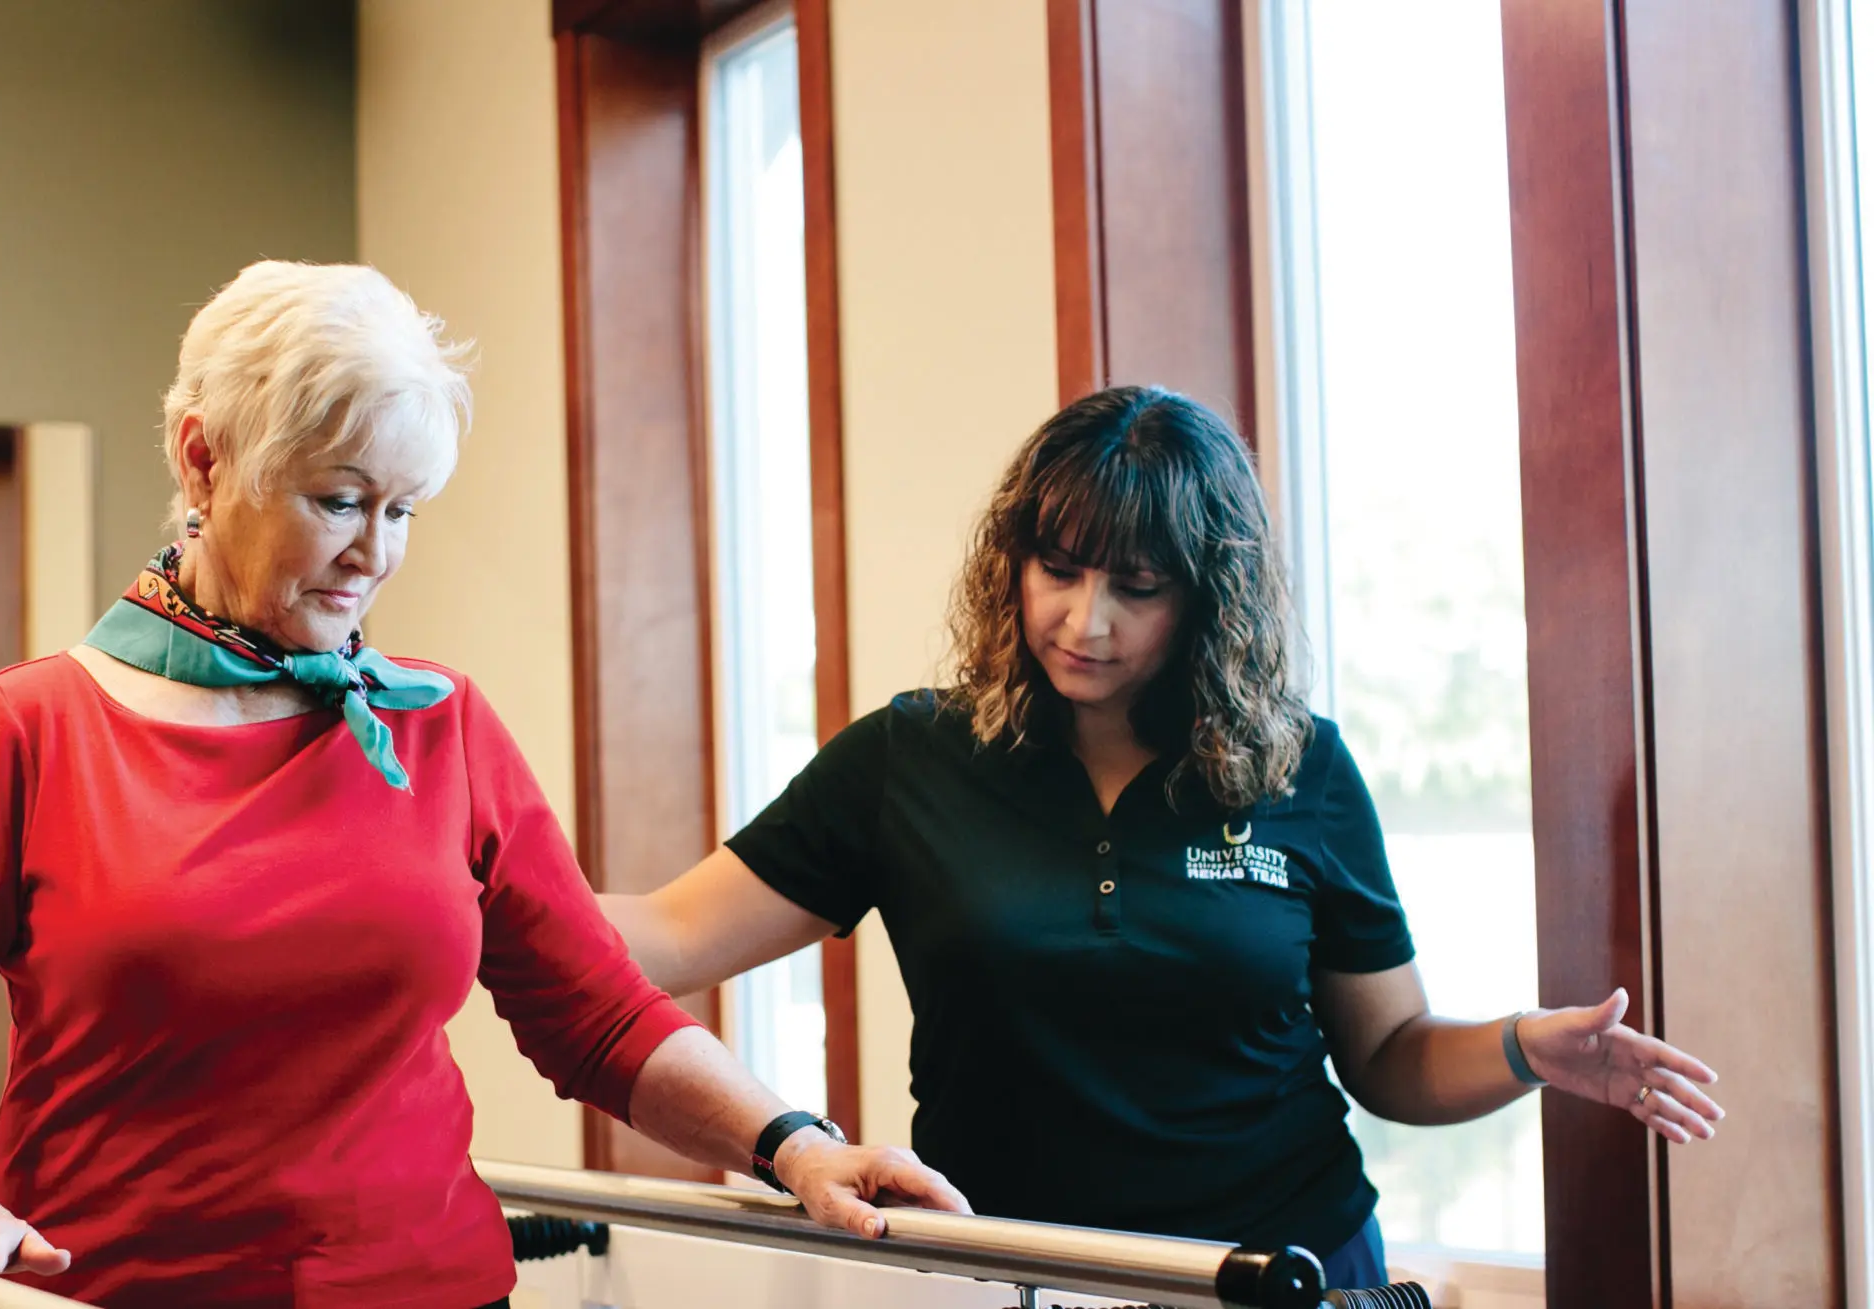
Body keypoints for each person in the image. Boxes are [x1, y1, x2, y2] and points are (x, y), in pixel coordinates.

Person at [0, 260, 968, 1309]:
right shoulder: (34, 728)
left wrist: (792, 1142)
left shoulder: (438, 726)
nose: (375, 552)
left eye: (401, 510)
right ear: (205, 457)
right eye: (339, 499)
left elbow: (598, 1014)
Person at [597, 386, 1728, 1290]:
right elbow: (660, 933)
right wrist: (455, 869)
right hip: (1015, 1273)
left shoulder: (1300, 766)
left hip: (1278, 1268)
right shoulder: (911, 758)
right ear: (1014, 563)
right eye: (1060, 570)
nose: (1085, 621)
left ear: (1205, 601)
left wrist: (1527, 1047)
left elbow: (1388, 1056)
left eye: (1135, 587)